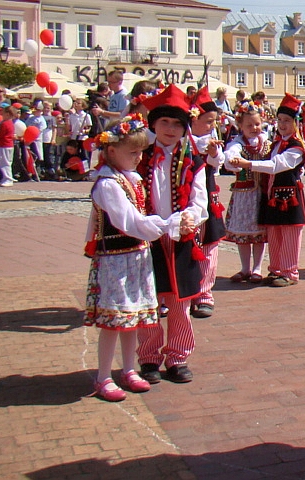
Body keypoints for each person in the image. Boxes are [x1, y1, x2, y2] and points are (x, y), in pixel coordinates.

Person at [83, 113, 189, 402]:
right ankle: (104, 375)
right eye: (132, 152)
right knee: (114, 321)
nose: (138, 157)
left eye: (141, 151)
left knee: (133, 319)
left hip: (136, 256)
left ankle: (129, 369)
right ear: (111, 151)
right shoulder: (107, 184)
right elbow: (128, 221)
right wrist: (168, 225)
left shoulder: (129, 178)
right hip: (116, 259)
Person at [136, 85, 208, 384]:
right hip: (146, 236)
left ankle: (178, 356)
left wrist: (189, 217)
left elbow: (199, 198)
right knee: (149, 300)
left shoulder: (193, 159)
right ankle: (149, 357)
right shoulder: (139, 156)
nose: (170, 129)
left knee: (180, 302)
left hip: (179, 237)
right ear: (153, 123)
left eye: (177, 123)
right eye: (164, 122)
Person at [228, 93, 305, 287]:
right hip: (273, 195)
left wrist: (249, 164)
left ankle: (289, 271)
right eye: (280, 120)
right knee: (274, 233)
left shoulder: (296, 146)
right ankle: (276, 269)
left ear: (295, 123)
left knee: (289, 233)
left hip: (290, 197)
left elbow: (276, 165)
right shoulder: (278, 143)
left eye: (287, 121)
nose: (282, 124)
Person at [187, 86, 227, 319]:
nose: (212, 126)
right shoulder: (184, 141)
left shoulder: (210, 142)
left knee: (209, 244)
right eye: (208, 120)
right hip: (184, 199)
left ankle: (204, 294)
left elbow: (218, 165)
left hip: (208, 198)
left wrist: (213, 154)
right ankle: (180, 292)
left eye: (214, 121)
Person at [223, 101, 271, 284]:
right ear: (240, 126)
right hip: (244, 195)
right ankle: (245, 268)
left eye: (257, 124)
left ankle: (257, 268)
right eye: (249, 125)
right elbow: (229, 159)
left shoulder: (265, 142)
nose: (254, 128)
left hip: (261, 194)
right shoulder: (237, 144)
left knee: (259, 235)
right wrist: (233, 160)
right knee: (244, 235)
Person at [0, 105, 16, 187]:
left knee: (4, 163)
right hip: (9, 145)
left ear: (8, 114)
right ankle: (6, 178)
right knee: (7, 162)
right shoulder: (11, 123)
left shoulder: (5, 123)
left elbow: (0, 135)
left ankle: (8, 179)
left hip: (5, 144)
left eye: (3, 113)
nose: (2, 114)